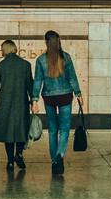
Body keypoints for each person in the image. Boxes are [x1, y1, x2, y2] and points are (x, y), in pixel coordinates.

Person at [30, 30, 82, 176]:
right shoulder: (66, 57)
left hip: (49, 98)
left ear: (46, 42)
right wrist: (78, 93)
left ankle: (54, 162)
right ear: (58, 41)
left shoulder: (40, 60)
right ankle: (60, 155)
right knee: (64, 129)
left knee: (52, 131)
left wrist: (34, 100)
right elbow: (72, 77)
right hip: (65, 96)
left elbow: (38, 81)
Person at [0, 39, 33, 170]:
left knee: (8, 131)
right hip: (21, 102)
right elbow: (30, 84)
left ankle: (9, 161)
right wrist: (33, 100)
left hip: (5, 102)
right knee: (21, 128)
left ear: (5, 50)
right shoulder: (26, 65)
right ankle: (19, 154)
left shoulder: (1, 65)